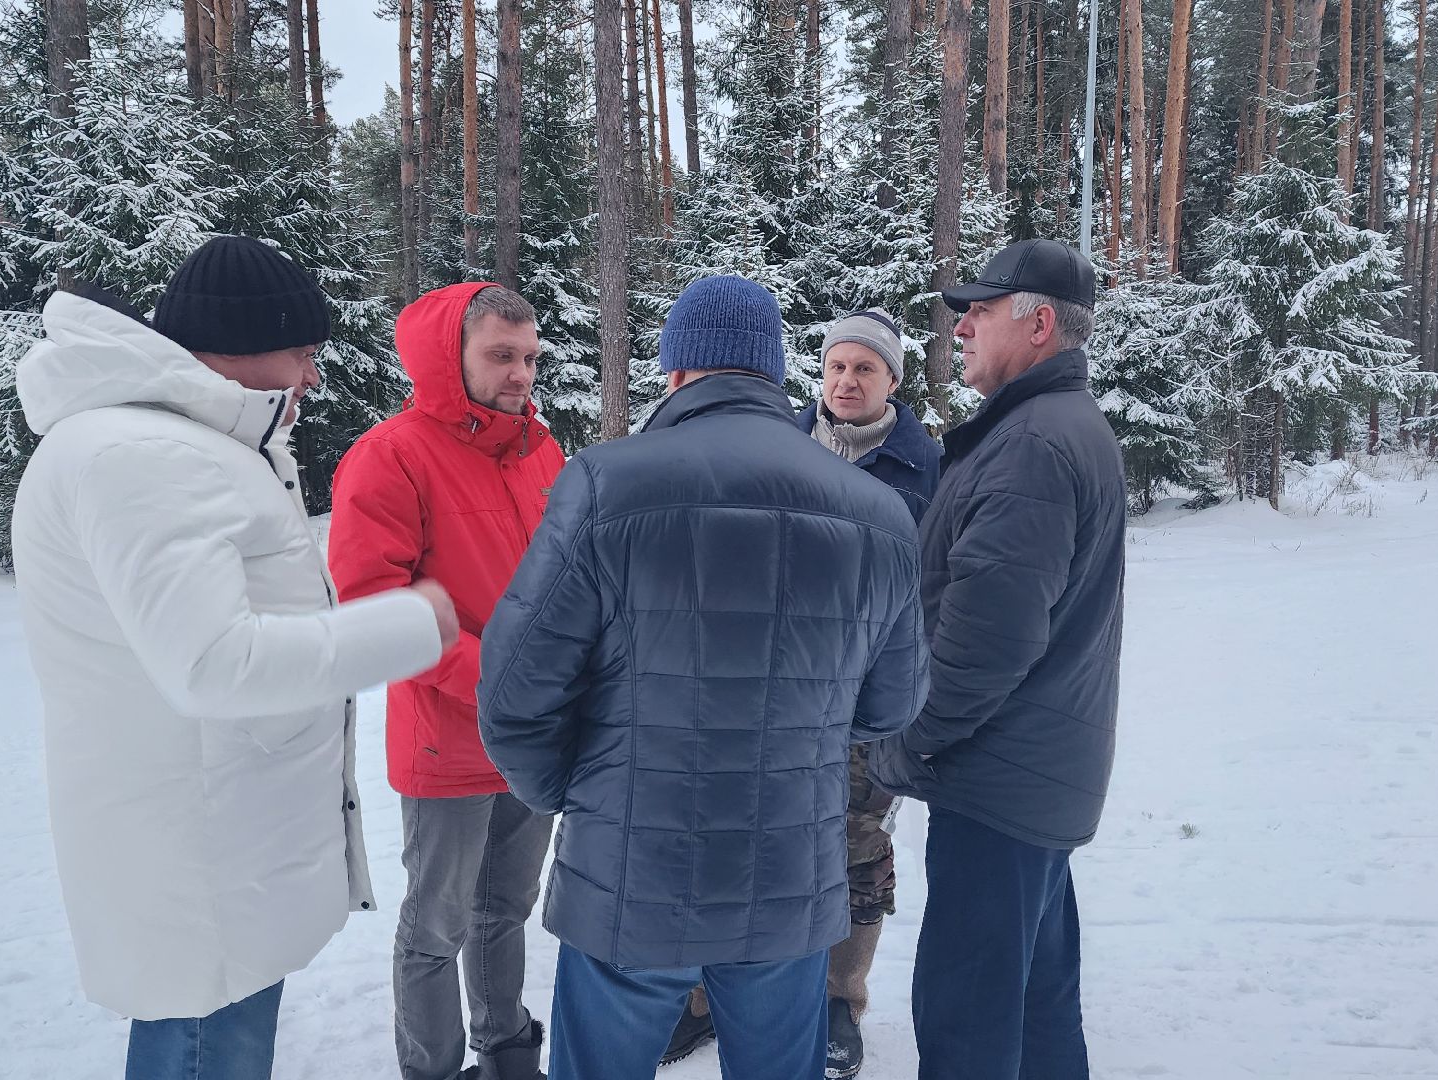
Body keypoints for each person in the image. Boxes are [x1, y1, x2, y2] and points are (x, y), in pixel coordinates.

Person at [11, 236, 459, 1080]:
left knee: (210, 1026)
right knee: (205, 1039)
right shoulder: (146, 457)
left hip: (212, 828)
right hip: (198, 850)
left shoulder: (170, 444)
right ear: (242, 348)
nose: (312, 378)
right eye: (303, 354)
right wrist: (415, 622)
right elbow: (215, 663)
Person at [475, 275, 929, 1080]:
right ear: (775, 373)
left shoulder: (606, 484)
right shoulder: (877, 514)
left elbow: (515, 692)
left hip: (629, 878)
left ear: (678, 371)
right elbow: (893, 701)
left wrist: (579, 790)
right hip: (789, 875)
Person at [658, 307, 942, 1077]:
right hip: (765, 699)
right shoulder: (772, 442)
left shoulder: (924, 468)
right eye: (837, 366)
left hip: (866, 702)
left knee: (852, 848)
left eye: (866, 370)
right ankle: (710, 997)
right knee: (743, 843)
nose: (847, 382)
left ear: (893, 381)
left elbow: (932, 594)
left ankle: (837, 1000)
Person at [869, 238, 1127, 1080]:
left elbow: (985, 646)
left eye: (979, 312)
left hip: (998, 786)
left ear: (1041, 325)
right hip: (1031, 781)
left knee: (969, 1022)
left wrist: (904, 746)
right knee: (1038, 1008)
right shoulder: (1046, 428)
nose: (962, 328)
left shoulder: (1032, 448)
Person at [327, 282, 564, 1080]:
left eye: (529, 357)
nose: (521, 374)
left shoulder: (542, 450)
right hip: (448, 741)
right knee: (438, 925)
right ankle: (431, 1069)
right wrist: (502, 683)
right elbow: (375, 607)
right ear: (448, 357)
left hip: (532, 741)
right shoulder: (390, 455)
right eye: (501, 356)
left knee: (507, 911)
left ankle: (506, 1054)